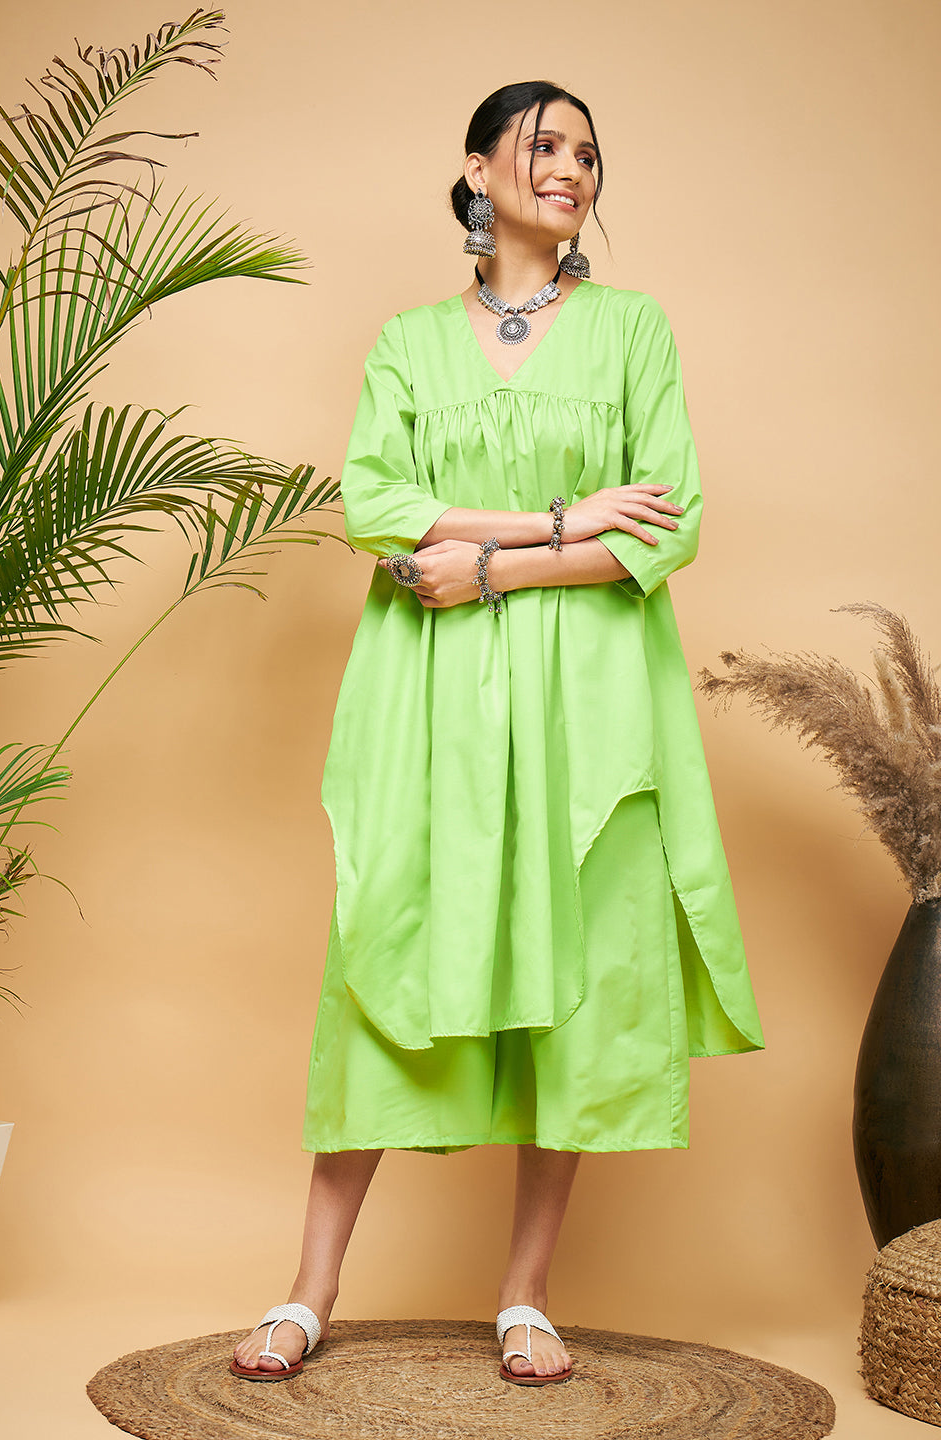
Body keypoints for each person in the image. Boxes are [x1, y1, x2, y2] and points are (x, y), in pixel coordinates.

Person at [230, 80, 764, 1388]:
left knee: (570, 958)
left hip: (587, 693)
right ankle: (308, 1291)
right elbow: (375, 505)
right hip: (428, 695)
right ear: (478, 168)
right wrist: (557, 519)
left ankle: (527, 1294)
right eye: (544, 145)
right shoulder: (411, 344)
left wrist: (488, 569)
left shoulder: (631, 329)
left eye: (589, 152)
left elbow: (670, 526)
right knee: (387, 950)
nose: (572, 167)